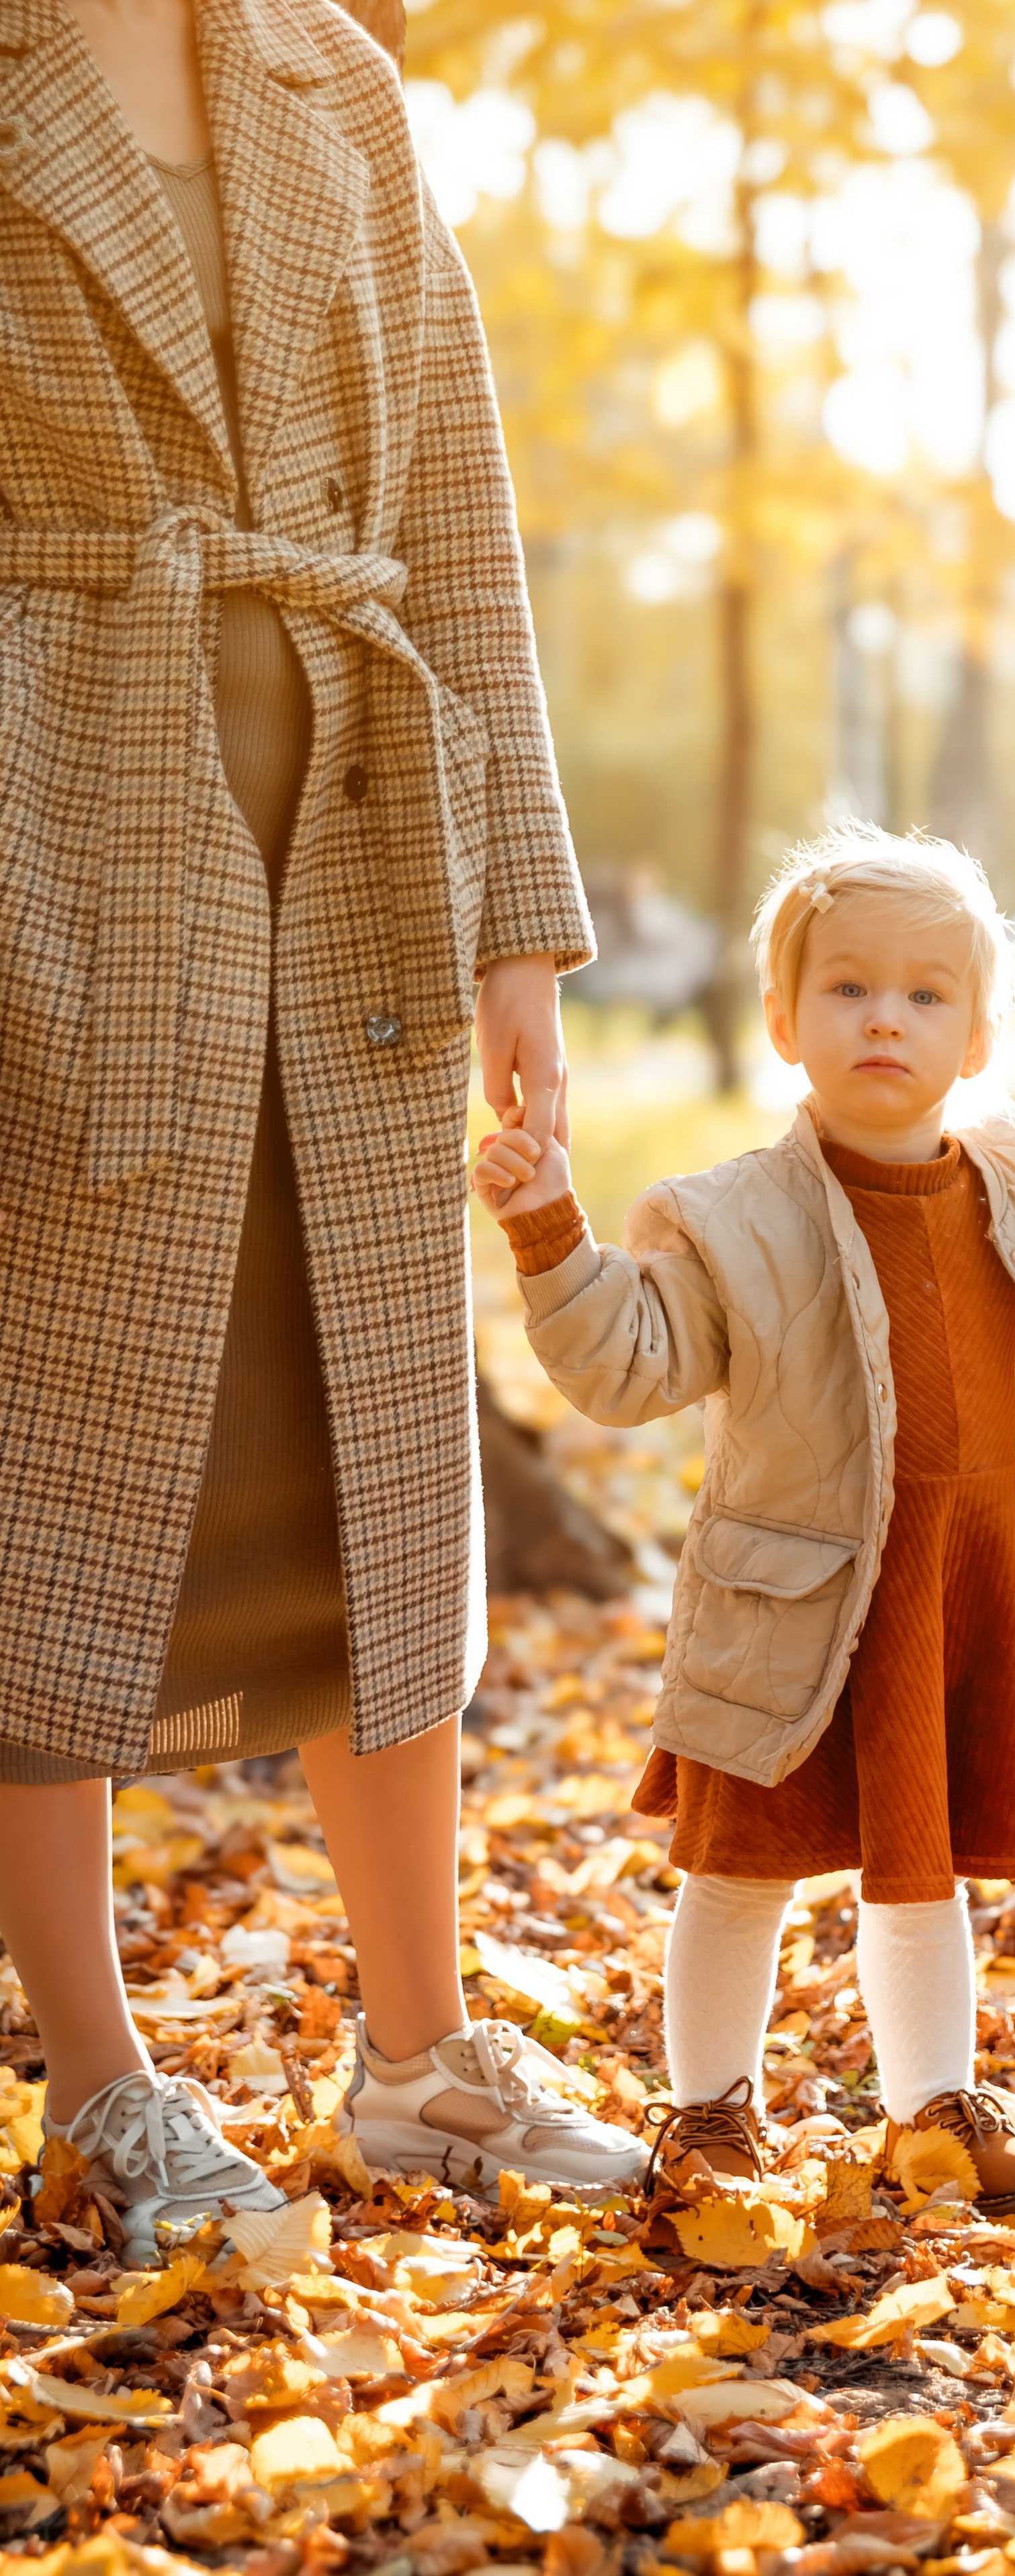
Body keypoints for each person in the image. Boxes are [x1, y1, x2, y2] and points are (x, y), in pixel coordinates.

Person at [0, 0, 646, 2258]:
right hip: (63, 852)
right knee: (59, 1477)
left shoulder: (338, 80)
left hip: (364, 847)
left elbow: (456, 508)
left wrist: (520, 941)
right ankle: (100, 2078)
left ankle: (419, 2055)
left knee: (380, 1456)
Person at [472, 824, 1015, 2207]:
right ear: (782, 1019)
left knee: (920, 1872)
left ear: (980, 1032)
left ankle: (933, 2107)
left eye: (926, 995)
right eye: (848, 989)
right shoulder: (726, 1216)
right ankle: (706, 2115)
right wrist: (551, 1233)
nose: (885, 1017)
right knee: (739, 1869)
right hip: (795, 1596)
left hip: (951, 1579)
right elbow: (623, 1361)